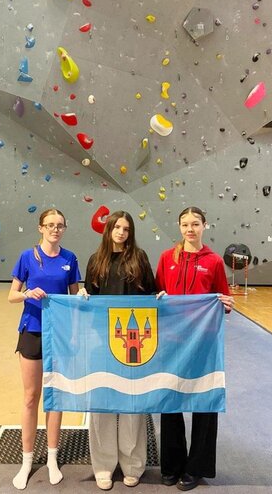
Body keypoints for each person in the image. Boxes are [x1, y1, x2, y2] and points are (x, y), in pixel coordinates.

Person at [155, 206, 234, 491]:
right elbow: (156, 293)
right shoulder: (167, 258)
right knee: (170, 401)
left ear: (204, 226)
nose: (190, 229)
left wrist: (226, 304)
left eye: (195, 224)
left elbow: (224, 297)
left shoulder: (214, 261)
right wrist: (158, 296)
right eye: (185, 224)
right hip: (172, 341)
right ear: (179, 227)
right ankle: (172, 465)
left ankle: (196, 468)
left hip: (203, 342)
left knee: (204, 403)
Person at [78, 210, 156, 490]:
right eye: (117, 227)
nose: (122, 232)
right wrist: (83, 296)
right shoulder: (96, 260)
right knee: (102, 405)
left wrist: (158, 297)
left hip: (134, 346)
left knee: (133, 405)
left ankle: (133, 465)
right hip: (102, 342)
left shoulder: (140, 258)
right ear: (108, 229)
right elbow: (89, 298)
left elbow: (151, 294)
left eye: (126, 228)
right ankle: (103, 466)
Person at [8, 208, 81, 490]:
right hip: (32, 331)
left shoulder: (69, 258)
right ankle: (27, 461)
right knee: (31, 397)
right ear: (40, 228)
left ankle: (52, 459)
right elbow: (12, 295)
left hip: (59, 334)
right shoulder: (27, 257)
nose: (55, 229)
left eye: (60, 225)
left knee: (55, 397)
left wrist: (83, 295)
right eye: (50, 225)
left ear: (64, 229)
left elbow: (75, 296)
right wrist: (26, 293)